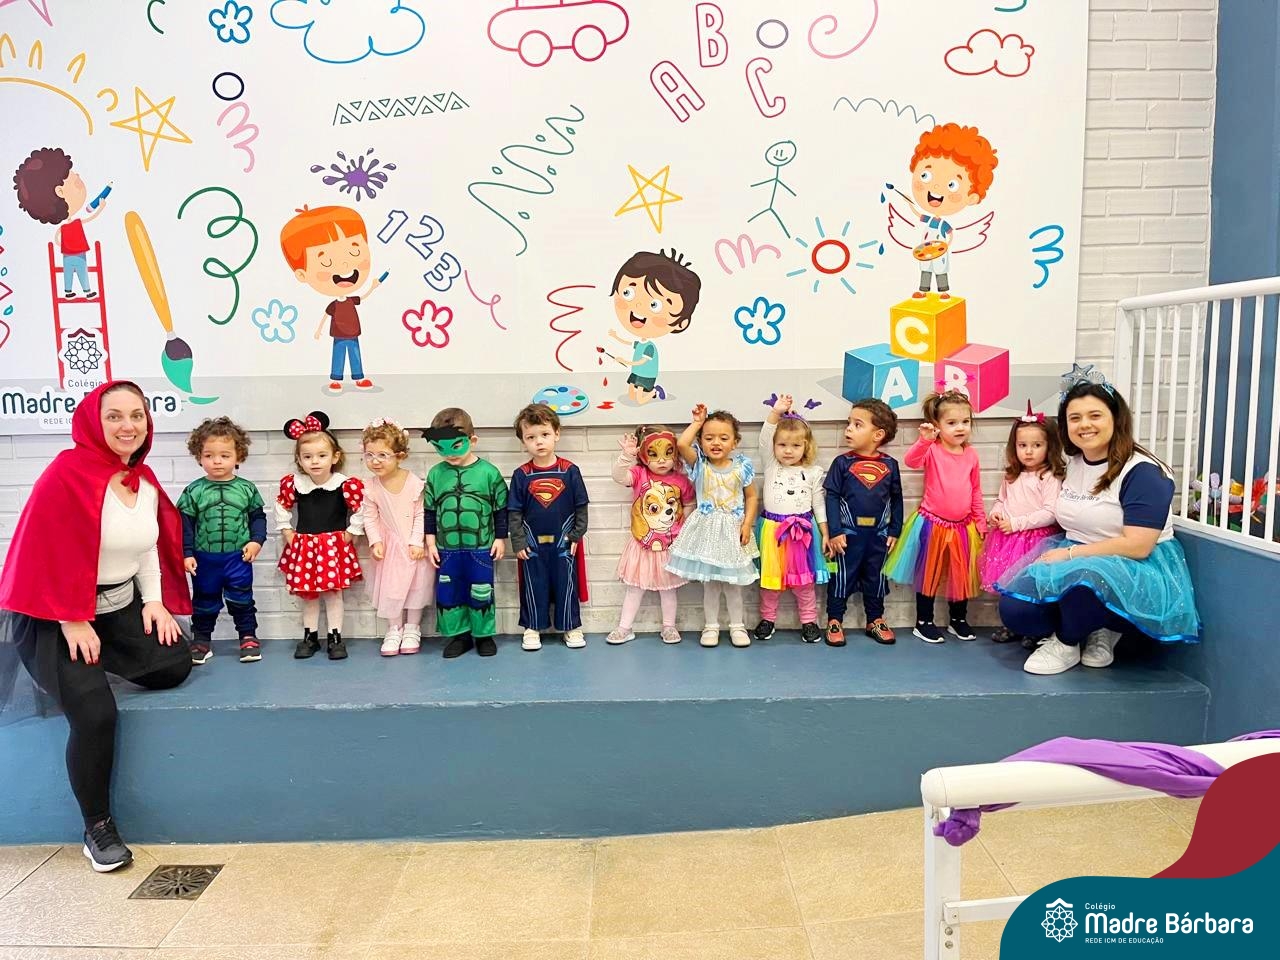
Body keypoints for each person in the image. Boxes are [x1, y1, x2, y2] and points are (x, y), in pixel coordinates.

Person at [0, 381, 191, 873]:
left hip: (114, 607)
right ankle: (97, 827)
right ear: (93, 421)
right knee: (95, 714)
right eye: (114, 416)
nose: (128, 426)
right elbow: (47, 552)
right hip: (55, 615)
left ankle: (93, 662)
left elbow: (146, 546)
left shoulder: (141, 479)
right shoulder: (66, 474)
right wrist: (72, 619)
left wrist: (154, 603)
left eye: (137, 415)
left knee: (173, 664)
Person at [996, 372, 1202, 675]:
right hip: (1078, 551)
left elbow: (1138, 545)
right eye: (1075, 418)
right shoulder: (1075, 462)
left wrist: (1068, 555)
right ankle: (1088, 626)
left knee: (1085, 585)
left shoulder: (1144, 472)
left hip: (1132, 563)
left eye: (1095, 415)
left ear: (1116, 418)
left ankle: (1069, 641)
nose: (1084, 425)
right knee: (1017, 610)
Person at [884, 390, 987, 643]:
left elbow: (975, 489)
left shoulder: (971, 454)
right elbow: (911, 461)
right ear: (938, 425)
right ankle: (924, 621)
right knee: (928, 573)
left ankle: (958, 619)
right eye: (952, 422)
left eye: (965, 421)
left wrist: (980, 519)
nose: (960, 428)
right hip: (932, 523)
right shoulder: (933, 450)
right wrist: (924, 440)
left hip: (963, 527)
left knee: (960, 574)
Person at [666, 405, 760, 648]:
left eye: (723, 438)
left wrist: (747, 523)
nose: (716, 442)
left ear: (735, 442)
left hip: (733, 531)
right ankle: (711, 626)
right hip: (707, 532)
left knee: (733, 586)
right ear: (701, 441)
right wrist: (698, 423)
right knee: (711, 585)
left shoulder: (742, 467)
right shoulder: (700, 465)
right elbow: (682, 444)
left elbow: (751, 496)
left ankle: (737, 626)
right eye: (709, 438)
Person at [275, 411, 365, 661]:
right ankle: (310, 636)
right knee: (309, 594)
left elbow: (362, 508)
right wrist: (286, 530)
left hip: (333, 547)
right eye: (307, 456)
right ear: (299, 459)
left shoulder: (344, 484)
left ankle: (335, 637)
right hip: (305, 546)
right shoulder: (295, 484)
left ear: (335, 456)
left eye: (322, 455)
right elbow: (281, 505)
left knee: (334, 593)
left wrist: (352, 531)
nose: (314, 461)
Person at [177, 417, 266, 664]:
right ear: (199, 456)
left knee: (242, 599)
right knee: (204, 600)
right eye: (209, 455)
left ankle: (248, 637)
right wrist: (187, 552)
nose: (217, 461)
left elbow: (258, 518)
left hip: (238, 557)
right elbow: (185, 525)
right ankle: (201, 640)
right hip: (204, 559)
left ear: (238, 456)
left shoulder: (247, 489)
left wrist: (257, 541)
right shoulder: (194, 491)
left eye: (225, 455)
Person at [422, 408, 508, 659]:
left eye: (456, 446)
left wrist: (500, 538)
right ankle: (460, 636)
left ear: (473, 440)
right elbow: (429, 511)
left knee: (481, 590)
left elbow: (501, 509)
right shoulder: (436, 474)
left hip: (480, 547)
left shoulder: (489, 473)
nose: (449, 454)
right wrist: (430, 542)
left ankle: (483, 636)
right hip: (447, 549)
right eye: (441, 448)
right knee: (450, 592)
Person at [979, 405, 1066, 645]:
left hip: (1035, 540)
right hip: (1008, 540)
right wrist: (996, 514)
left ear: (1050, 446)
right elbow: (1002, 500)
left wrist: (1017, 523)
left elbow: (1051, 513)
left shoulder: (1049, 476)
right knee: (1008, 583)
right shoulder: (1012, 474)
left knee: (1032, 585)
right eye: (1022, 445)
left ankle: (1034, 627)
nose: (1028, 451)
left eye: (1037, 445)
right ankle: (1011, 624)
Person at [508, 404, 590, 651]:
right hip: (532, 544)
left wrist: (576, 535)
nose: (539, 442)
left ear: (557, 434)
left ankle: (571, 626)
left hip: (564, 541)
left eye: (544, 434)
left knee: (566, 584)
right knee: (534, 584)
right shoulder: (521, 475)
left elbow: (581, 507)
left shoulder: (570, 471)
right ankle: (533, 626)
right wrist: (518, 541)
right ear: (523, 441)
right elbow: (514, 512)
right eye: (531, 437)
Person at [823, 399, 904, 646]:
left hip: (878, 535)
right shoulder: (842, 463)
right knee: (841, 576)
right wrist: (835, 531)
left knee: (876, 576)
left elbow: (897, 499)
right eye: (849, 423)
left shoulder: (890, 465)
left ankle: (875, 619)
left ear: (878, 434)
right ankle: (835, 620)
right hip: (847, 535)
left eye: (857, 424)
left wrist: (895, 530)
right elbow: (831, 497)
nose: (848, 429)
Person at [607, 424, 695, 645]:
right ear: (644, 456)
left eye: (668, 453)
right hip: (642, 545)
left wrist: (683, 529)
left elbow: (690, 504)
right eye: (654, 454)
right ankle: (624, 627)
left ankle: (669, 626)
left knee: (668, 590)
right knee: (635, 589)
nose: (662, 460)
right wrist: (626, 456)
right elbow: (618, 476)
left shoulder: (681, 481)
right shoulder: (639, 474)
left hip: (669, 546)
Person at [754, 393, 829, 643]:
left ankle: (809, 621)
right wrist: (776, 412)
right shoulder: (771, 465)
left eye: (796, 446)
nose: (788, 450)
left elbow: (819, 503)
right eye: (782, 445)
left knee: (804, 583)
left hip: (803, 533)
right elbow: (765, 436)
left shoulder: (813, 472)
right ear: (774, 446)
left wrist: (825, 532)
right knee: (771, 581)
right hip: (773, 531)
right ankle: (767, 619)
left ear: (806, 446)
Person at [360, 418, 434, 657]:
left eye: (383, 455)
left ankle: (412, 628)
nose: (375, 461)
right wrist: (375, 541)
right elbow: (369, 517)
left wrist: (416, 541)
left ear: (400, 456)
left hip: (413, 546)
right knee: (391, 588)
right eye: (369, 455)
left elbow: (421, 514)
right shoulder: (371, 486)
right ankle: (394, 629)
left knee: (416, 587)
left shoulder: (414, 483)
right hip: (389, 547)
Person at [13, 147, 106, 299]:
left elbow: (58, 237)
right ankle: (75, 291)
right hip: (75, 254)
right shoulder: (72, 223)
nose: (79, 176)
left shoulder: (70, 224)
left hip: (71, 254)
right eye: (76, 181)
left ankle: (81, 290)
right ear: (60, 192)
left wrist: (61, 243)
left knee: (77, 271)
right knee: (74, 271)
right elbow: (86, 220)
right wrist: (100, 208)